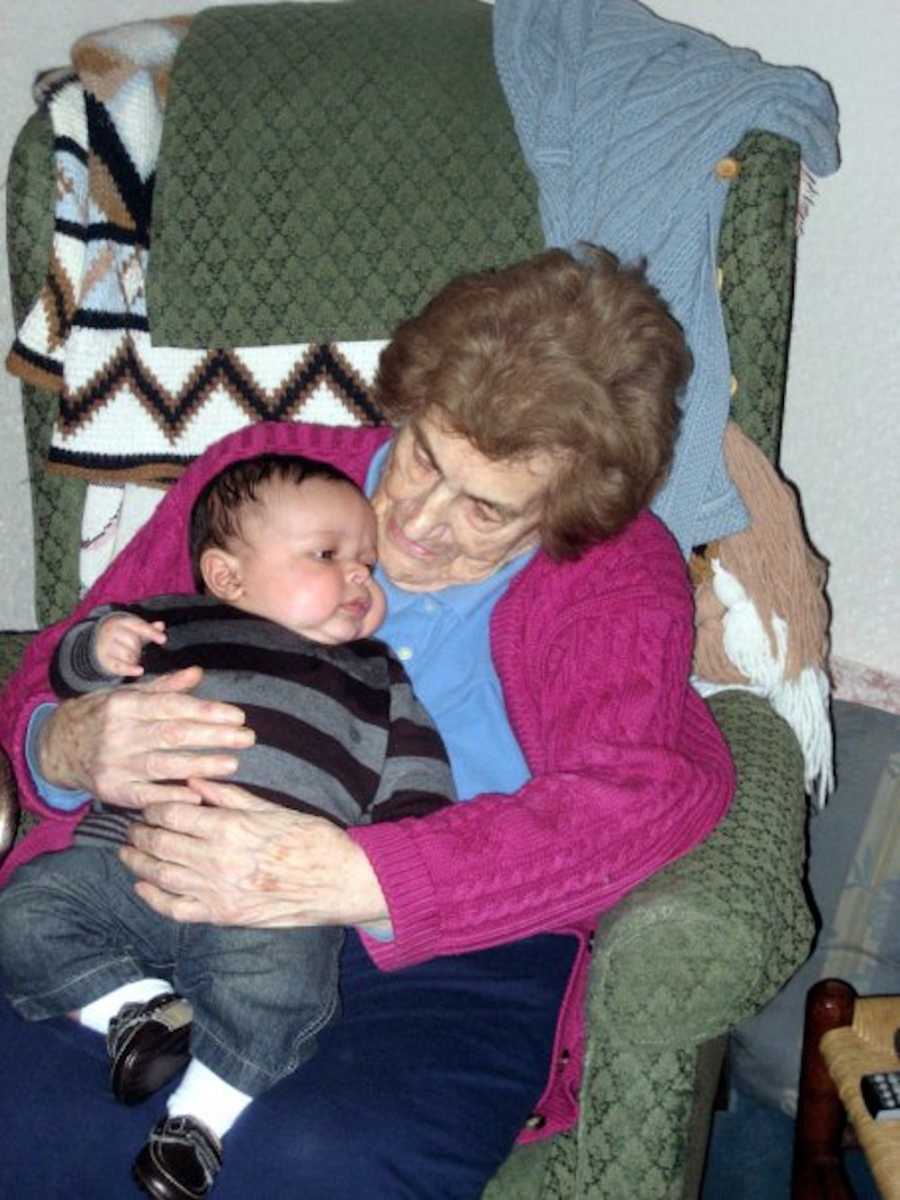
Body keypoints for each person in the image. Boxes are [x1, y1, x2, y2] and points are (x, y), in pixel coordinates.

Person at [0, 247, 736, 1199]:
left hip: (435, 948)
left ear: (568, 507)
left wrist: (363, 873)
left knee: (319, 1165)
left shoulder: (613, 573)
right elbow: (60, 657)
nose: (419, 523)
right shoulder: (266, 482)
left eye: (486, 508)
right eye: (424, 455)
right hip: (140, 879)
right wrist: (63, 744)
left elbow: (635, 798)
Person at [0, 452, 456, 1199]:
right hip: (125, 857)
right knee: (25, 910)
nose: (360, 579)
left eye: (367, 566)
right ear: (228, 577)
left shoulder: (378, 675)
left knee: (286, 987)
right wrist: (97, 644)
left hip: (271, 896)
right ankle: (132, 1014)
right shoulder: (170, 622)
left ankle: (200, 1122)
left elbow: (417, 783)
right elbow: (71, 676)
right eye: (328, 556)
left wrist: (377, 861)